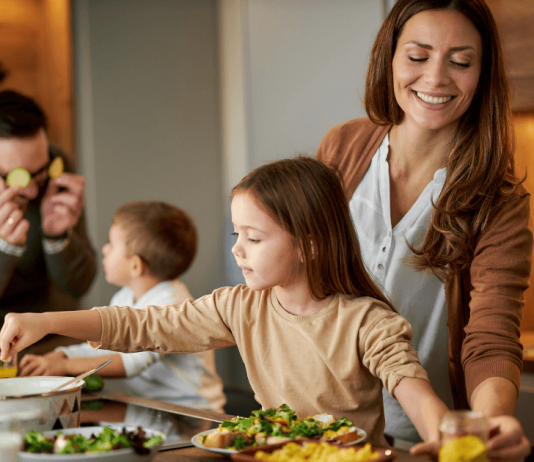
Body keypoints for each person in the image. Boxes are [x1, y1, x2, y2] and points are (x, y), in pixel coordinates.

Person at [316, 0, 532, 458]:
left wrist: (489, 424)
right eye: (417, 57)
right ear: (389, 59)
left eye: (461, 62)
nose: (435, 78)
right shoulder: (342, 148)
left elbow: (491, 335)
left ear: (483, 74)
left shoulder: (499, 199)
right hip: (318, 429)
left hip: (423, 440)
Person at [17, 200, 226, 413]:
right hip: (154, 409)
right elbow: (104, 344)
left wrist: (64, 366)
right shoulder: (125, 297)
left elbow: (131, 363)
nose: (105, 249)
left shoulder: (172, 304)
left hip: (193, 412)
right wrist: (63, 355)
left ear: (135, 265)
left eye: (112, 244)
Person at [0, 89, 96, 323]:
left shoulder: (57, 167)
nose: (33, 191)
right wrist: (4, 249)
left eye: (39, 173)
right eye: (17, 177)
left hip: (45, 330)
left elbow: (79, 286)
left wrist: (58, 238)